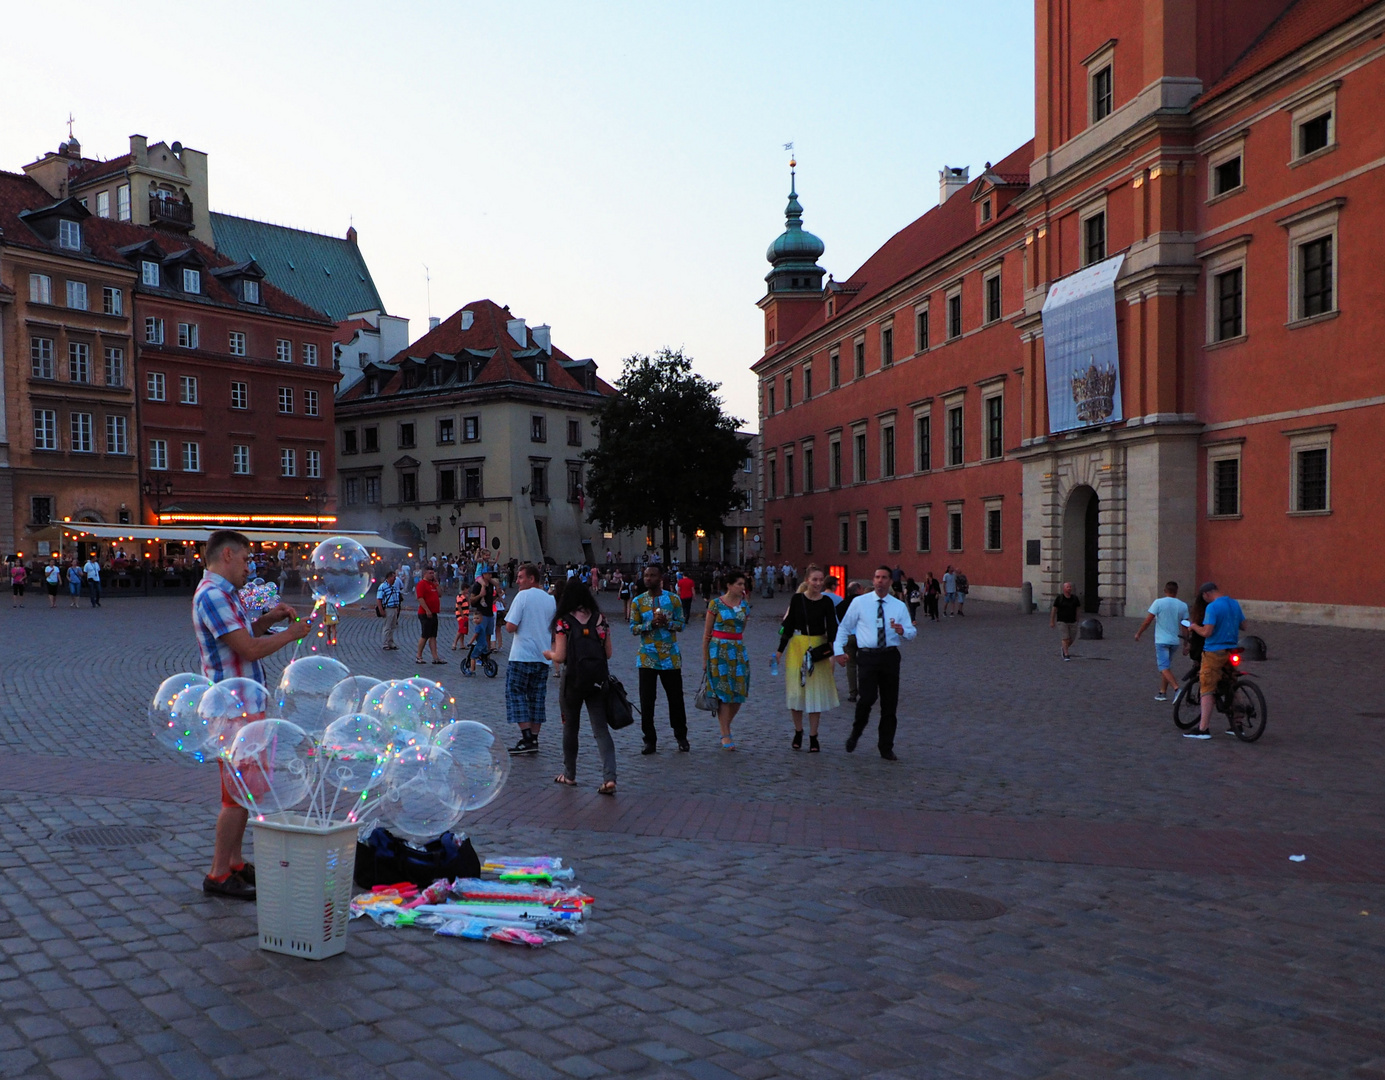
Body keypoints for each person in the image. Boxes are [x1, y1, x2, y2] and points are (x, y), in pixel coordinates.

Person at [192, 529, 312, 900]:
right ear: (226, 555)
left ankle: (236, 863)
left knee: (245, 791)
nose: (250, 565)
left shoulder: (227, 595)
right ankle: (217, 874)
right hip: (232, 711)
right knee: (235, 795)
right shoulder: (212, 595)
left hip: (246, 707)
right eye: (246, 558)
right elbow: (249, 648)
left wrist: (269, 617)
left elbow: (244, 634)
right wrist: (291, 633)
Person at [833, 567, 917, 760]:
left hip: (889, 657)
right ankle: (856, 732)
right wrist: (839, 651)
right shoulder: (859, 603)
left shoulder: (898, 606)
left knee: (890, 704)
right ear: (873, 580)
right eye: (877, 577)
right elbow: (844, 628)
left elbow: (912, 633)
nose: (880, 581)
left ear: (890, 582)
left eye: (884, 578)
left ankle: (886, 746)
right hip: (867, 656)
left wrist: (903, 631)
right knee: (867, 698)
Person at [546, 579, 617, 793]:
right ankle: (610, 777)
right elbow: (608, 653)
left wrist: (548, 654)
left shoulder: (563, 622)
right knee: (601, 730)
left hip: (573, 681)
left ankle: (569, 775)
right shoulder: (600, 619)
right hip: (596, 680)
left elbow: (560, 656)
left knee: (570, 728)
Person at [776, 566, 839, 752]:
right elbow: (788, 625)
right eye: (815, 580)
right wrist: (780, 651)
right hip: (798, 646)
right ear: (807, 580)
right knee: (796, 692)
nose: (818, 583)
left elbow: (833, 626)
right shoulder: (797, 599)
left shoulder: (827, 601)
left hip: (818, 648)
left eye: (821, 580)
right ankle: (798, 731)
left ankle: (813, 735)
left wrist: (832, 646)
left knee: (815, 692)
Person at [629, 563, 689, 754]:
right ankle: (649, 739)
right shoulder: (638, 602)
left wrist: (668, 623)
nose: (648, 579)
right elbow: (633, 628)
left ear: (660, 578)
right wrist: (649, 625)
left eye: (652, 575)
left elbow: (681, 625)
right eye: (646, 575)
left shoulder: (673, 599)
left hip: (670, 656)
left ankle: (681, 736)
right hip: (647, 657)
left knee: (676, 699)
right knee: (647, 700)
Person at [504, 563, 557, 755]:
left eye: (520, 577)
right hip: (542, 656)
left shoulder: (523, 596)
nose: (517, 581)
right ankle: (534, 738)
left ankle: (526, 737)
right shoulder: (550, 600)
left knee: (516, 693)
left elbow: (510, 626)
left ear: (531, 579)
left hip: (522, 655)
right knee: (536, 698)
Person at [1185, 582, 1247, 740]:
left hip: (1214, 651)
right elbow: (1244, 625)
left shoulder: (1212, 607)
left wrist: (1194, 627)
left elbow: (1207, 632)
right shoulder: (1234, 603)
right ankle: (1238, 724)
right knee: (1232, 683)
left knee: (1207, 687)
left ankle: (1203, 729)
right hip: (1232, 649)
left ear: (1206, 594)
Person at [703, 568, 751, 750]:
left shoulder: (744, 606)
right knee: (724, 694)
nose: (742, 587)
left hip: (738, 651)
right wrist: (704, 659)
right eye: (739, 584)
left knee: (738, 693)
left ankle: (726, 724)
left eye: (743, 584)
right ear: (729, 586)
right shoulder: (716, 604)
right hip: (719, 652)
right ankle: (725, 733)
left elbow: (742, 628)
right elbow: (707, 634)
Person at [1134, 581, 1189, 702]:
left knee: (1163, 667)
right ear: (1176, 591)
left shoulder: (1158, 603)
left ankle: (1177, 689)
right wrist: (1186, 643)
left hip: (1161, 640)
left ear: (1165, 591)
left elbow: (1148, 621)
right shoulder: (1183, 605)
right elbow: (1185, 625)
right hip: (1175, 641)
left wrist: (1139, 633)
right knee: (1167, 666)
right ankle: (1162, 692)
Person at [835, 582, 866, 702]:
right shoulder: (864, 603)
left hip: (848, 637)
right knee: (865, 664)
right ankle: (865, 691)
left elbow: (839, 623)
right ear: (858, 589)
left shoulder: (841, 605)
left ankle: (852, 692)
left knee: (851, 665)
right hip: (863, 636)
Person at [414, 567, 444, 664]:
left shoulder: (433, 584)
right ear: (425, 574)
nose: (432, 575)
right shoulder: (421, 584)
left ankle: (435, 657)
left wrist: (437, 584)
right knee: (425, 635)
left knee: (433, 636)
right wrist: (427, 610)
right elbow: (420, 598)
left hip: (434, 612)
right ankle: (419, 656)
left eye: (433, 573)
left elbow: (440, 594)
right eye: (430, 573)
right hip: (425, 613)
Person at [1050, 582, 1082, 660]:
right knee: (1065, 638)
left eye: (1070, 587)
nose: (1069, 588)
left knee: (1071, 639)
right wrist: (1052, 621)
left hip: (1072, 621)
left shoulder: (1075, 598)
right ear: (1064, 589)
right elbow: (1054, 610)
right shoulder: (1059, 598)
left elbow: (1078, 609)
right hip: (1062, 621)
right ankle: (1066, 654)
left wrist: (1078, 618)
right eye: (1067, 587)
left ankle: (1064, 648)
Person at [377, 570, 403, 650]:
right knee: (387, 626)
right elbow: (379, 599)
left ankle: (390, 642)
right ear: (389, 577)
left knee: (393, 626)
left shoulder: (394, 587)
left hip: (394, 608)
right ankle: (385, 643)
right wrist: (381, 610)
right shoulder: (382, 586)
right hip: (388, 608)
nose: (395, 579)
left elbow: (396, 597)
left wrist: (398, 607)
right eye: (394, 577)